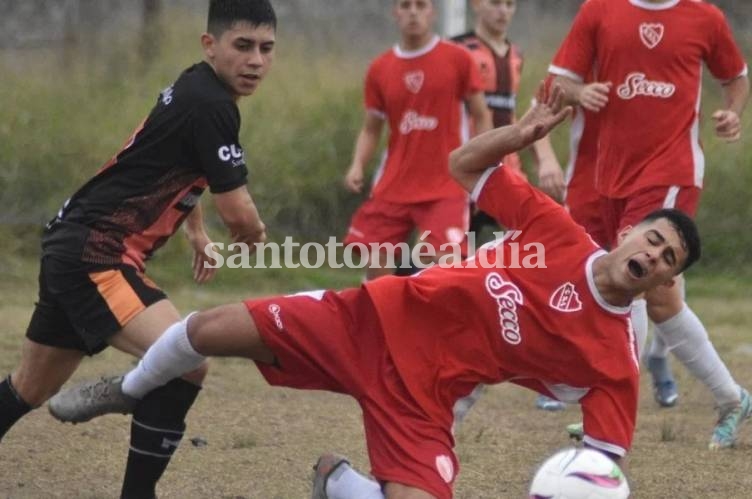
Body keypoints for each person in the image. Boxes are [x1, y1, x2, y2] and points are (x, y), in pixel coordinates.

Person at [49, 85, 701, 499]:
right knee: (206, 329)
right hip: (372, 315)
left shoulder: (617, 355)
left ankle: (336, 479)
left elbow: (605, 463)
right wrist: (519, 136)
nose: (652, 254)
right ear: (629, 232)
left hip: (429, 393)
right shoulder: (559, 232)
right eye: (652, 238)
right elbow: (464, 167)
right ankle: (127, 390)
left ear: (669, 280)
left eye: (666, 257)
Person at [0, 1, 275, 497]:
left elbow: (174, 163)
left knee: (30, 388)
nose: (255, 60)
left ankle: (133, 386)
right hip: (96, 253)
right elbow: (238, 212)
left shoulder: (198, 88)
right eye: (243, 46)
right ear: (210, 45)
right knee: (187, 357)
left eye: (266, 49)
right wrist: (254, 234)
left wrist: (194, 231)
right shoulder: (212, 105)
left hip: (72, 242)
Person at [548, 0, 750, 449]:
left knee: (634, 280)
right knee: (656, 297)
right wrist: (580, 94)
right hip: (609, 174)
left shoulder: (705, 17)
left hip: (671, 170)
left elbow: (735, 77)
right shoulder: (599, 10)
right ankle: (731, 398)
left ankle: (614, 411)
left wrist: (733, 110)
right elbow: (560, 82)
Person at [452, 0, 568, 414]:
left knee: (531, 263)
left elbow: (526, 116)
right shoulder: (457, 51)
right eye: (493, 2)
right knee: (453, 267)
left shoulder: (515, 55)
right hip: (466, 172)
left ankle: (547, 369)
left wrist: (546, 158)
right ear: (474, 6)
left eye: (508, 3)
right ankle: (452, 353)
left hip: (506, 173)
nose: (501, 10)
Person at [343, 0, 492, 281]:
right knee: (377, 269)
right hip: (394, 183)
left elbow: (481, 115)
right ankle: (381, 320)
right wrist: (357, 165)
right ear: (395, 13)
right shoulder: (380, 67)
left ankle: (440, 322)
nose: (413, 12)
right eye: (406, 5)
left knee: (444, 269)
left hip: (445, 183)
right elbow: (371, 128)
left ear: (432, 13)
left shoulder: (458, 59)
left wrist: (481, 163)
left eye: (421, 5)